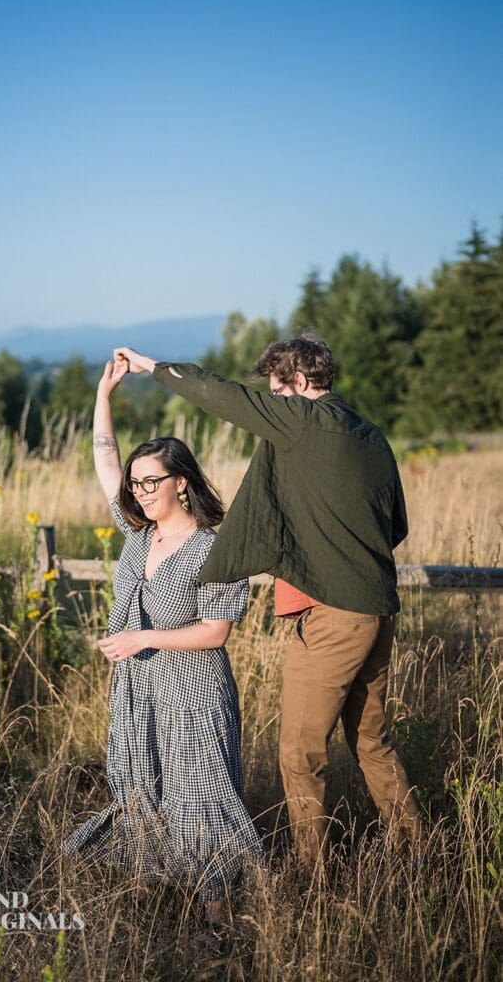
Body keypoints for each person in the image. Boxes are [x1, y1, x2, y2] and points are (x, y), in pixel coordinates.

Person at [112, 335, 423, 868]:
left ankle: (313, 876)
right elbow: (396, 524)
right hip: (378, 607)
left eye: (278, 389)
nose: (273, 399)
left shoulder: (300, 420)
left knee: (298, 754)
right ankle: (422, 853)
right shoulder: (370, 435)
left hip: (333, 615)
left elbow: (221, 395)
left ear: (300, 384)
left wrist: (154, 367)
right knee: (371, 740)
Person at [61, 358, 265, 927]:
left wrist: (142, 636)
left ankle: (219, 923)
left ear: (181, 482)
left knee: (200, 800)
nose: (140, 491)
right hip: (139, 691)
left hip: (194, 694)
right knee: (142, 791)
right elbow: (105, 461)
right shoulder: (137, 532)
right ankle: (158, 908)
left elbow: (217, 631)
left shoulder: (214, 549)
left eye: (152, 481)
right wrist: (104, 394)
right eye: (136, 483)